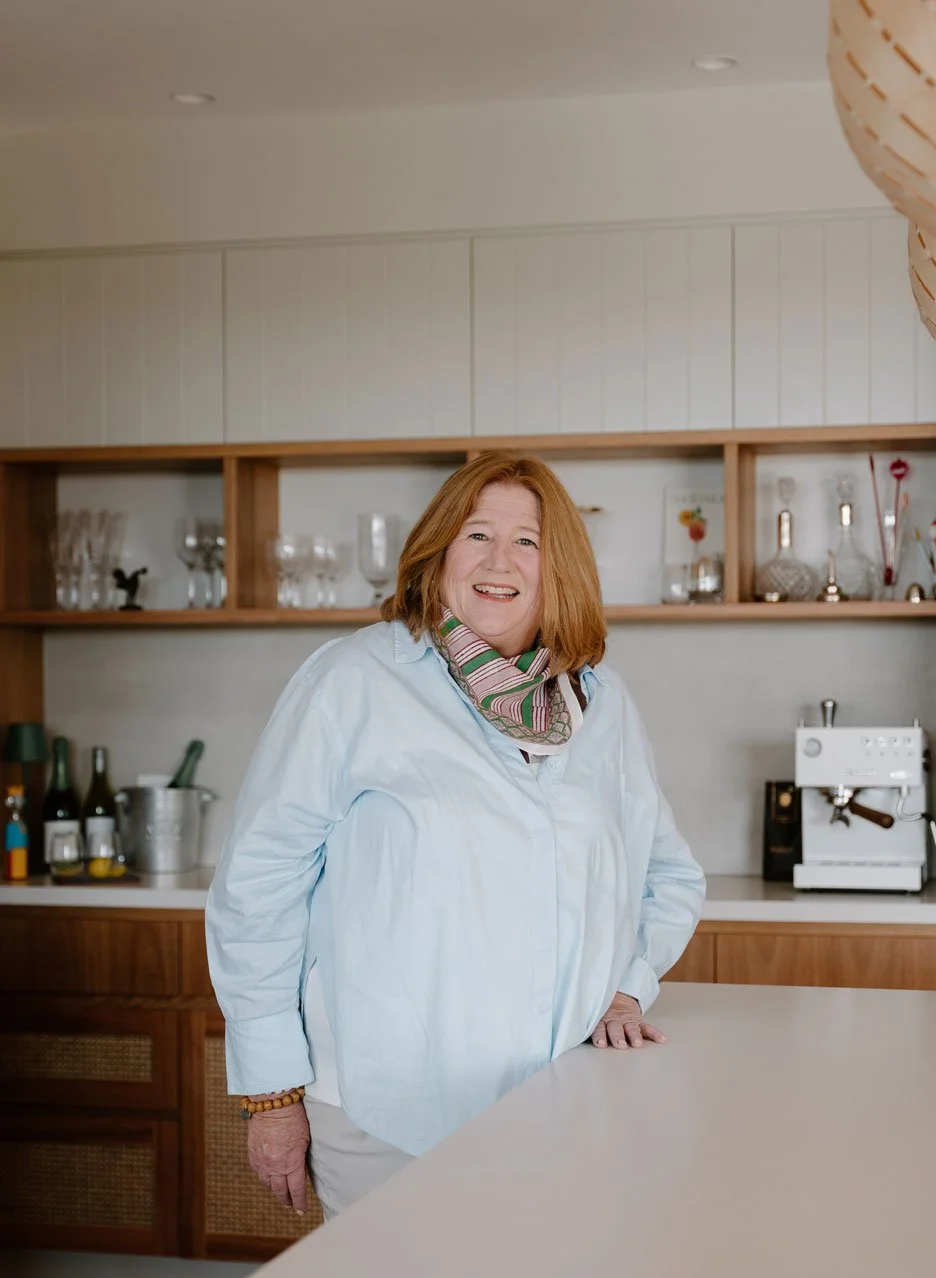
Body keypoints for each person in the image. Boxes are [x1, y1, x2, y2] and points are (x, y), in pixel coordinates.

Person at [205, 452, 705, 1219]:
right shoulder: (355, 680)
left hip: (561, 1107)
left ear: (558, 567)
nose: (499, 560)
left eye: (528, 542)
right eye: (477, 534)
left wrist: (628, 981)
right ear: (438, 553)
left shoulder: (599, 704)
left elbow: (669, 876)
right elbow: (258, 883)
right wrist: (272, 1093)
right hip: (387, 1115)